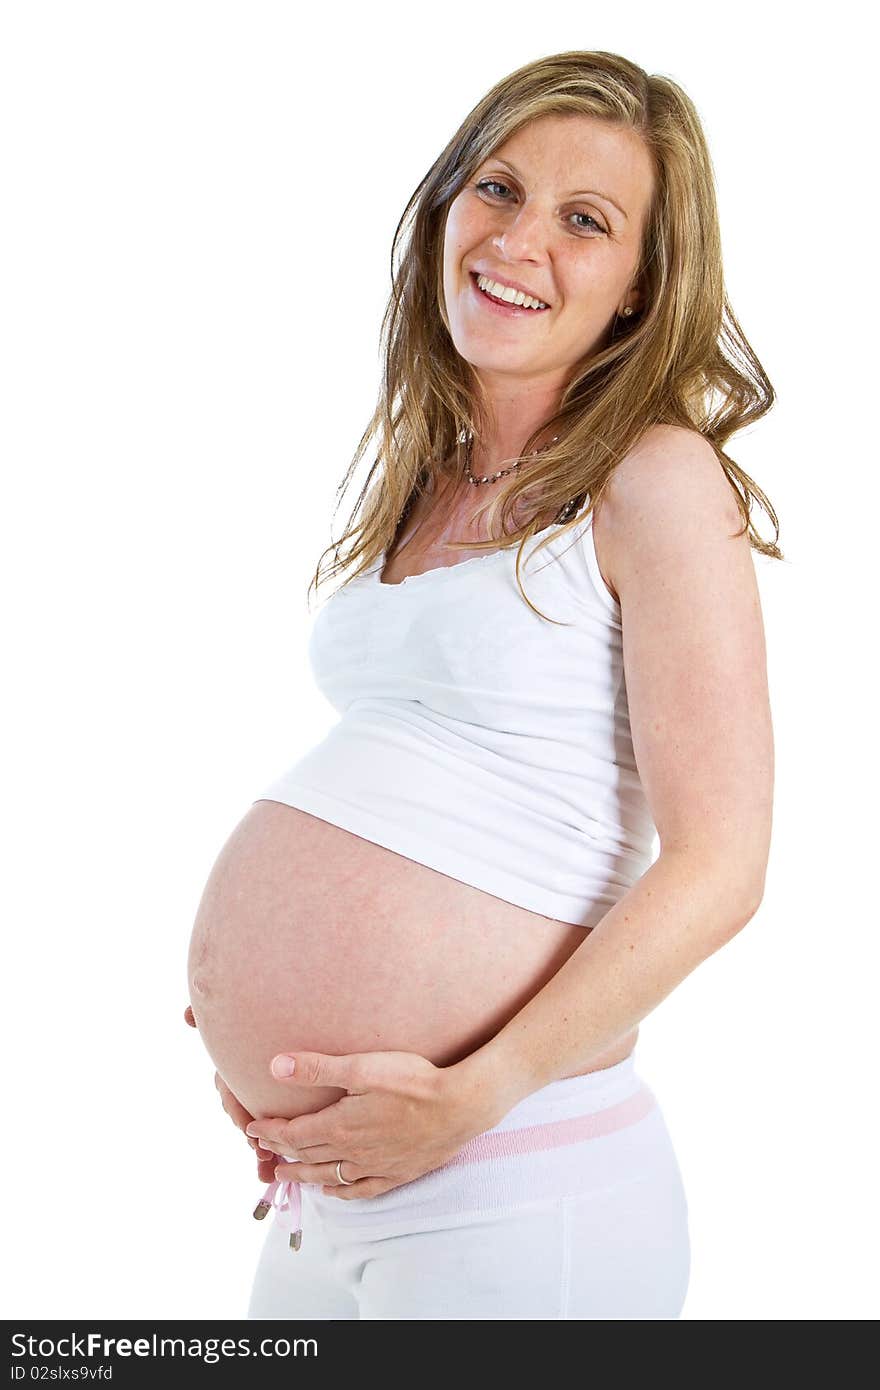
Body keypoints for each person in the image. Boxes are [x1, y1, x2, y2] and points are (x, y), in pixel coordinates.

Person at [185, 49, 780, 1320]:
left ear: (637, 290)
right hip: (326, 1195)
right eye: (497, 188)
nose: (517, 240)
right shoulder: (425, 476)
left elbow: (723, 864)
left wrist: (478, 1084)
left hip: (512, 1178)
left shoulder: (657, 479)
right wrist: (256, 1023)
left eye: (585, 220)